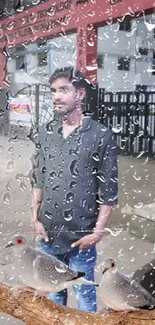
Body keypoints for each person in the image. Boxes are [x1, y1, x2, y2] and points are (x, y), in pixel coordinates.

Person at [31, 66, 118, 312]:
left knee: (85, 300)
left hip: (82, 238)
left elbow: (109, 191)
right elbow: (38, 177)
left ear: (80, 94)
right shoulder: (47, 132)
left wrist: (98, 233)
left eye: (63, 90)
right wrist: (34, 217)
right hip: (48, 235)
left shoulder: (101, 135)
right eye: (53, 91)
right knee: (53, 298)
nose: (56, 96)